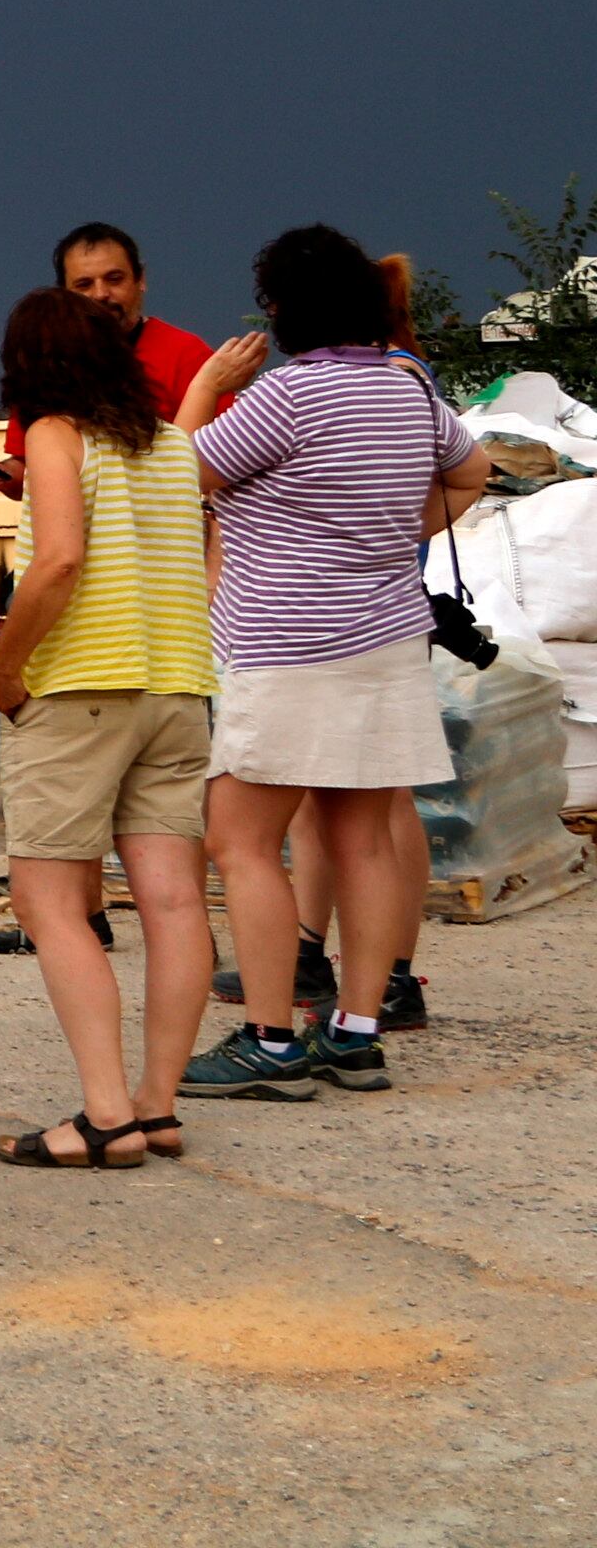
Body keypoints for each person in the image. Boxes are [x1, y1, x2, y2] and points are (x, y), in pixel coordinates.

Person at [175, 226, 497, 1103]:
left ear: (279, 308)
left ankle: (272, 1038)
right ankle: (355, 1034)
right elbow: (474, 473)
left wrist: (204, 388)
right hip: (388, 644)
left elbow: (171, 477)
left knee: (240, 840)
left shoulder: (284, 398)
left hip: (287, 650)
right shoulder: (407, 394)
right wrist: (392, 540)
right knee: (364, 840)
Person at [0, 289, 221, 1169]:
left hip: (81, 684)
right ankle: (158, 1106)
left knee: (50, 903)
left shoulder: (54, 432)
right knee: (173, 900)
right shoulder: (170, 443)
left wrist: (5, 668)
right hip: (177, 686)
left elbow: (60, 559)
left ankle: (104, 1115)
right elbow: (204, 555)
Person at [0, 222, 212, 497]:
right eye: (84, 284)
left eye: (114, 279)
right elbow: (31, 471)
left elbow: (226, 460)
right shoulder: (45, 364)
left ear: (140, 279)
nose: (100, 294)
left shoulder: (189, 354)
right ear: (63, 293)